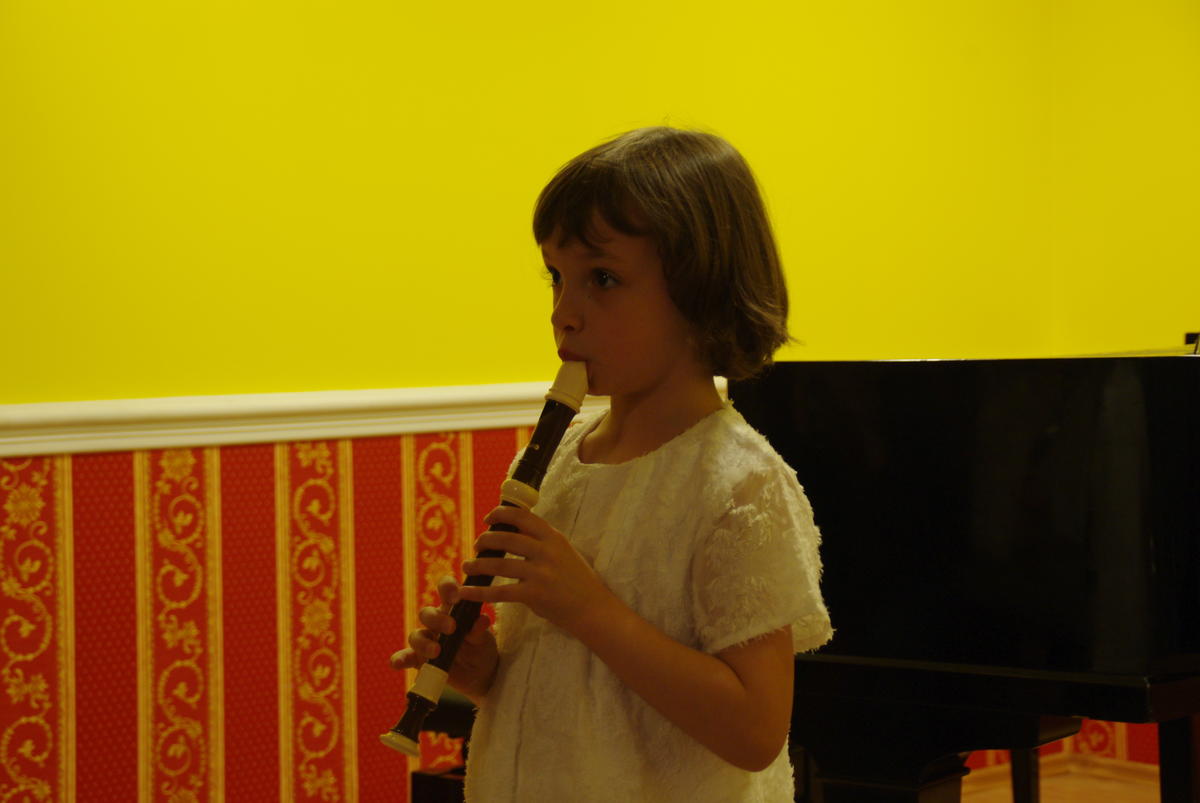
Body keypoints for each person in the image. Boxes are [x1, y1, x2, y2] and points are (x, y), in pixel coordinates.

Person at [390, 126, 832, 801]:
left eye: (602, 279)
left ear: (702, 293)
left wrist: (591, 609)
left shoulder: (740, 485)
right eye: (556, 278)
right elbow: (576, 688)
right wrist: (487, 673)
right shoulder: (562, 456)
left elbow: (755, 730)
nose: (564, 313)